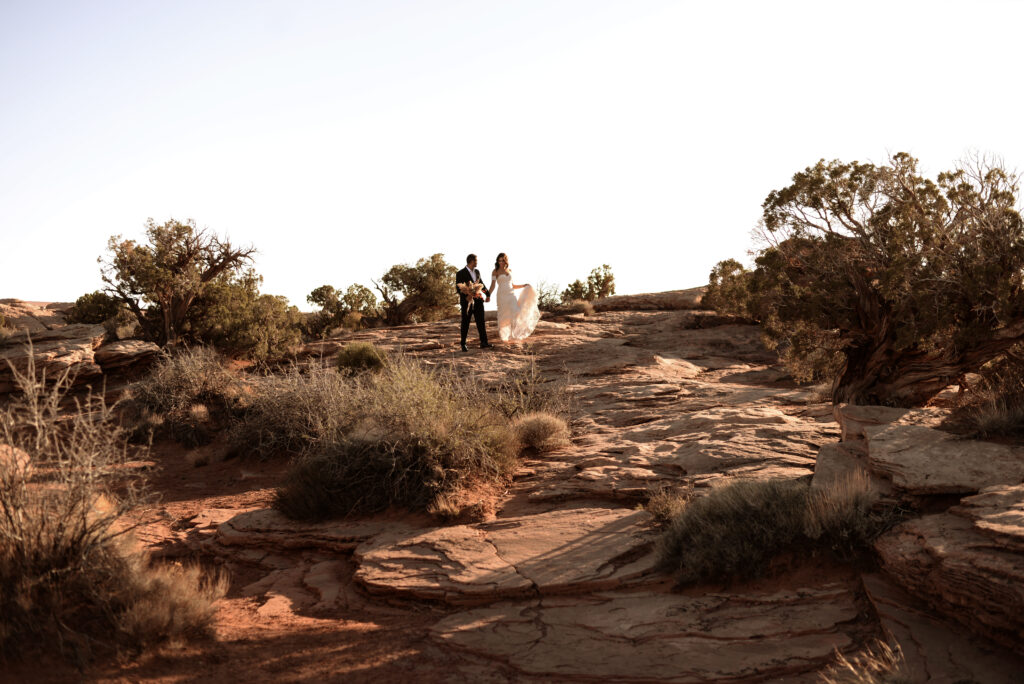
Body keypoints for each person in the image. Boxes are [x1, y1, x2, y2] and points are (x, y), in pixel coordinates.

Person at [488, 252, 540, 342]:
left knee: (515, 312)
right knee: (504, 315)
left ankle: (513, 334)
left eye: (502, 260)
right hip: (502, 295)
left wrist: (523, 285)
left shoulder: (510, 270)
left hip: (511, 294)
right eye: (499, 261)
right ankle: (505, 335)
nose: (501, 262)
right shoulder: (495, 271)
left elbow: (512, 285)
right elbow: (492, 285)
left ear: (506, 261)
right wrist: (488, 295)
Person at [455, 253, 493, 352]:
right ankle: (463, 344)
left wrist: (487, 294)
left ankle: (484, 342)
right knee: (465, 322)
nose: (477, 262)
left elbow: (481, 284)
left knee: (481, 322)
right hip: (467, 301)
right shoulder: (460, 273)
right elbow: (458, 289)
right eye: (476, 260)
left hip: (478, 301)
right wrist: (468, 294)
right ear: (471, 261)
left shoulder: (477, 272)